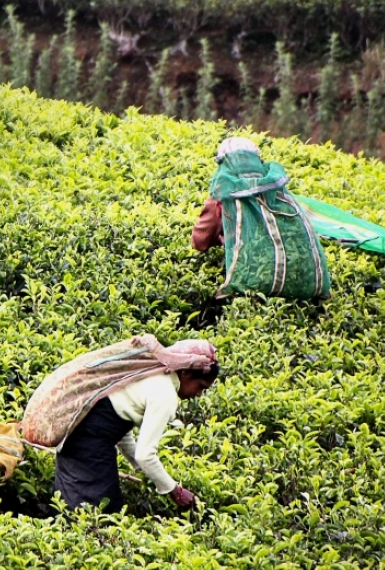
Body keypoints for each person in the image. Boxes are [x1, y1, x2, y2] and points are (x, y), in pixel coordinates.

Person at [18, 334, 218, 514]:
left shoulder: (150, 374)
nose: (198, 394)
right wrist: (175, 490)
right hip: (88, 443)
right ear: (185, 373)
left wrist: (147, 474)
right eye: (200, 386)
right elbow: (145, 454)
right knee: (98, 513)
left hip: (77, 437)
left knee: (74, 507)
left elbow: (120, 431)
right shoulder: (166, 394)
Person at [192, 136, 331, 300]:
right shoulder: (277, 189)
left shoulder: (223, 195)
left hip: (256, 287)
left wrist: (224, 238)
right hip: (300, 277)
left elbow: (199, 242)